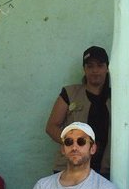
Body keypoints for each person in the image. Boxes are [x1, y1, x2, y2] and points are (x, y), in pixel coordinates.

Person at [46, 45, 111, 175]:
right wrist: (74, 145)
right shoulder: (69, 94)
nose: (95, 70)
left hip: (105, 168)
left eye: (99, 65)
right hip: (70, 166)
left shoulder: (118, 98)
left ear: (107, 68)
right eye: (90, 66)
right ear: (84, 69)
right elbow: (51, 127)